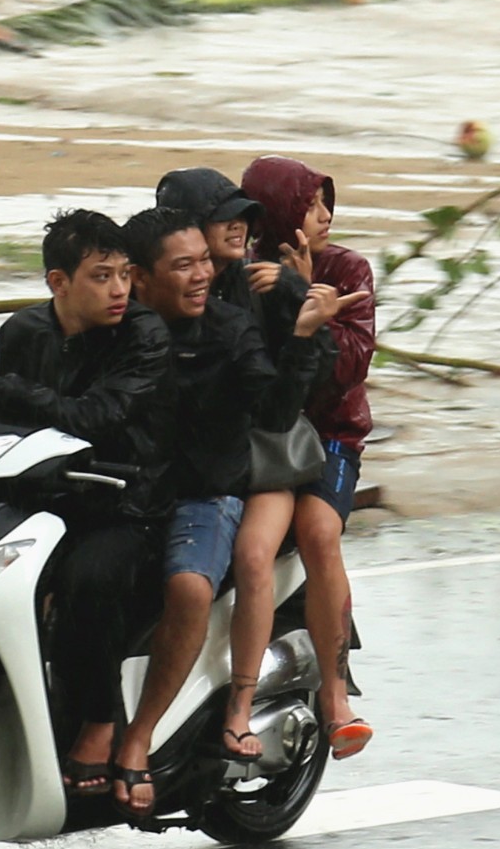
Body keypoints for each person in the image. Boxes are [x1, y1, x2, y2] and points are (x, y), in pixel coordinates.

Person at [0, 209, 176, 797]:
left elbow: (96, 417)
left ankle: (100, 721)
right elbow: (18, 423)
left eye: (123, 274)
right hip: (44, 499)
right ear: (58, 283)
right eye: (100, 276)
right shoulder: (23, 333)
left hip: (125, 504)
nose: (118, 289)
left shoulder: (143, 335)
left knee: (89, 578)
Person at [107, 207, 344, 814]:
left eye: (203, 262)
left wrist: (303, 332)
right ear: (139, 276)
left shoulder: (230, 325)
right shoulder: (116, 328)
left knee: (191, 585)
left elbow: (272, 411)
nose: (200, 275)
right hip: (125, 493)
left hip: (208, 495)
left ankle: (139, 736)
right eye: (183, 265)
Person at [153, 167, 355, 763]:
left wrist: (300, 306)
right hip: (194, 468)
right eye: (224, 218)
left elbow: (283, 403)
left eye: (245, 216)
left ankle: (242, 704)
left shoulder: (262, 286)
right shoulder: (154, 295)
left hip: (262, 463)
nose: (239, 227)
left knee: (251, 553)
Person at [239, 155, 377, 760]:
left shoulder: (349, 270)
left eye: (327, 205)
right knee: (248, 546)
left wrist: (301, 293)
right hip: (263, 435)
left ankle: (336, 692)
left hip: (328, 434)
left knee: (320, 531)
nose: (324, 217)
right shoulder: (242, 271)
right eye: (311, 205)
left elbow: (345, 369)